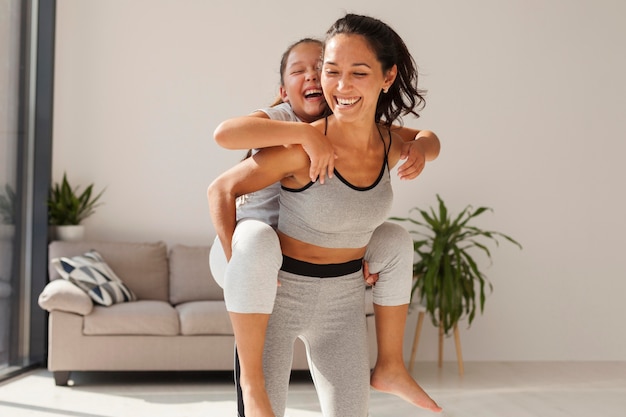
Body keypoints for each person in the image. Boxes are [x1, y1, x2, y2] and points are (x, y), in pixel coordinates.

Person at [209, 16, 442, 417]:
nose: (341, 85)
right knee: (256, 242)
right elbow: (222, 184)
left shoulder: (388, 142)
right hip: (277, 291)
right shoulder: (299, 142)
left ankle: (390, 365)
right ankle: (252, 381)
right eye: (332, 72)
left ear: (387, 78)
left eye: (358, 72)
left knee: (396, 238)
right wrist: (242, 269)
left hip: (343, 300)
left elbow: (429, 139)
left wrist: (421, 147)